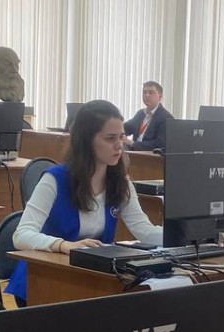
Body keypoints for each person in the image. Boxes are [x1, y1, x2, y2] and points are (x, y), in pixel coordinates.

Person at [9, 99, 163, 302]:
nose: (119, 145)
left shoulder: (120, 182)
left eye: (121, 137)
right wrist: (63, 245)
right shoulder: (55, 179)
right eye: (110, 138)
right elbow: (21, 235)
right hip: (43, 281)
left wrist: (187, 236)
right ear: (86, 140)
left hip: (92, 281)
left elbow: (144, 230)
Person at [124, 81, 173, 152]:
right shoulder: (140, 114)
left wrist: (133, 143)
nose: (147, 95)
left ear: (160, 97)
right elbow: (126, 128)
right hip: (134, 153)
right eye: (144, 92)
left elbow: (160, 144)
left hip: (150, 156)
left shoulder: (166, 117)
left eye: (151, 92)